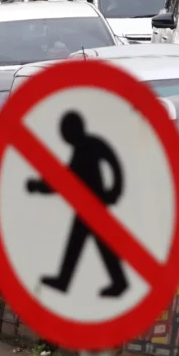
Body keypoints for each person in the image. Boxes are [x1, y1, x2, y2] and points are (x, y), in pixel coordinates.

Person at [27, 112, 127, 298]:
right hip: (87, 205)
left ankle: (118, 282)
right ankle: (66, 280)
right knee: (80, 242)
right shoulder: (80, 149)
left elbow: (114, 162)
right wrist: (40, 187)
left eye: (65, 131)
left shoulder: (91, 145)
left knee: (96, 243)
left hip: (94, 204)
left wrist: (115, 189)